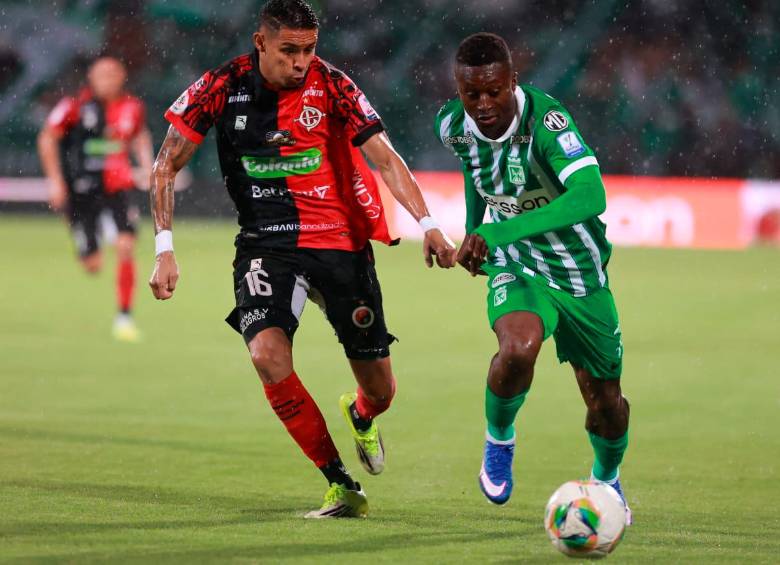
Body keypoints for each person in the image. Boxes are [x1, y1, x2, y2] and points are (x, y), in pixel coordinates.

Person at [148, 0, 456, 518]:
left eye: (309, 50)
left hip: (339, 243)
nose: (300, 62)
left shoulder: (333, 84)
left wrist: (428, 224)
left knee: (380, 388)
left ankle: (361, 414)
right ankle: (340, 482)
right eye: (289, 50)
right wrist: (164, 248)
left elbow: (385, 156)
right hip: (266, 244)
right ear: (260, 42)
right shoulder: (221, 86)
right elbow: (164, 165)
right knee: (266, 356)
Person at [435, 33, 631, 522]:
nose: (482, 105)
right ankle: (499, 440)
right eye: (470, 94)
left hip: (580, 273)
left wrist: (497, 231)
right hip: (517, 264)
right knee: (518, 347)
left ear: (512, 82)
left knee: (607, 403)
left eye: (493, 92)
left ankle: (607, 481)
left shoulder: (547, 121)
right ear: (458, 90)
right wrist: (475, 230)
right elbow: (474, 172)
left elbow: (590, 196)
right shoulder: (451, 126)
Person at [37, 56, 154, 341]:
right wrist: (55, 181)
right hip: (81, 191)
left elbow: (140, 136)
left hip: (117, 189)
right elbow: (47, 138)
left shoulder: (132, 107)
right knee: (93, 265)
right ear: (91, 78)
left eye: (113, 74)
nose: (108, 80)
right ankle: (87, 236)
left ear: (122, 77)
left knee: (126, 246)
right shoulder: (74, 107)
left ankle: (124, 317)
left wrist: (147, 165)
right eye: (102, 75)